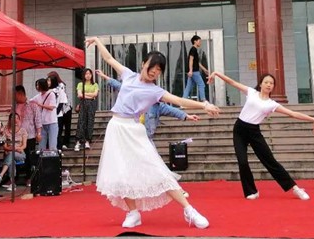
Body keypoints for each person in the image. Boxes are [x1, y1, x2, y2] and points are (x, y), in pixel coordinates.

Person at [85, 36, 219, 229]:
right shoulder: (128, 75)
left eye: (158, 71)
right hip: (116, 127)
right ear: (143, 64)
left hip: (133, 130)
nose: (154, 73)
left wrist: (203, 104)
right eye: (152, 68)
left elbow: (178, 101)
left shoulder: (154, 90)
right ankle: (133, 213)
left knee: (159, 170)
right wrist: (97, 41)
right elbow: (109, 60)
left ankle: (189, 210)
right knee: (120, 173)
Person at [208, 71, 314, 200]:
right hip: (239, 129)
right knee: (242, 162)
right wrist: (216, 73)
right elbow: (232, 82)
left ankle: (295, 188)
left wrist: (312, 119)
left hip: (254, 132)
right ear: (260, 84)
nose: (269, 85)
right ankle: (251, 191)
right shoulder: (251, 92)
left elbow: (292, 113)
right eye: (266, 82)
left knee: (270, 161)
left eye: (271, 83)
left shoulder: (272, 104)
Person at [95, 69, 199, 141]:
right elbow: (119, 86)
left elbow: (173, 110)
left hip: (145, 138)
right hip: (131, 134)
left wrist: (187, 116)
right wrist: (104, 76)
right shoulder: (135, 95)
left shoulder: (157, 105)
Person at [0, 112, 27, 191]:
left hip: (20, 154)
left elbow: (24, 145)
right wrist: (13, 149)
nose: (15, 120)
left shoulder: (23, 130)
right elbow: (5, 146)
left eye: (17, 118)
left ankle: (1, 175)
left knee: (11, 155)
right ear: (10, 120)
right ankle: (12, 184)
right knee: (12, 160)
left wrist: (16, 149)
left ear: (19, 119)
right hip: (10, 153)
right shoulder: (6, 130)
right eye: (13, 118)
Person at [14, 84, 42, 166]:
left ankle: (29, 176)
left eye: (15, 94)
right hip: (17, 136)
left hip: (30, 135)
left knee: (30, 156)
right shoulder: (14, 106)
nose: (13, 97)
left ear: (20, 94)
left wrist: (39, 133)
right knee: (17, 155)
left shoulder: (32, 104)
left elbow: (38, 120)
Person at [74, 68, 99, 151]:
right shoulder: (80, 84)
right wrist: (90, 96)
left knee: (90, 121)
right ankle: (78, 141)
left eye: (89, 74)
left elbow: (95, 94)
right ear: (84, 75)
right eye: (86, 74)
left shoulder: (95, 84)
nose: (88, 75)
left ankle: (87, 141)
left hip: (92, 104)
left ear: (91, 75)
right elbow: (80, 95)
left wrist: (85, 94)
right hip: (83, 103)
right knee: (81, 121)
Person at [48, 71, 72, 149]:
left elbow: (62, 99)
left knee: (66, 126)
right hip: (59, 110)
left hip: (66, 108)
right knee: (59, 128)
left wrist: (57, 112)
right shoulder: (50, 89)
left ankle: (65, 142)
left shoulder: (61, 85)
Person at [32, 78, 58, 151]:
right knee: (41, 146)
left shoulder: (51, 94)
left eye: (38, 85)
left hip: (52, 122)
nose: (37, 87)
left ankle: (52, 159)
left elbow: (52, 107)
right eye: (36, 85)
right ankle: (42, 161)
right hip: (42, 123)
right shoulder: (38, 96)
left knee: (52, 145)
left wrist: (40, 105)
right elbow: (30, 101)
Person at [182, 35, 210, 101]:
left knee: (188, 87)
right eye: (199, 41)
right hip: (194, 71)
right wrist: (191, 70)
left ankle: (183, 102)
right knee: (201, 84)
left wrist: (204, 69)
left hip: (193, 71)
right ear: (195, 41)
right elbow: (191, 60)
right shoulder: (193, 49)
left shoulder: (194, 50)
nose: (200, 43)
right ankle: (203, 100)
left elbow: (197, 62)